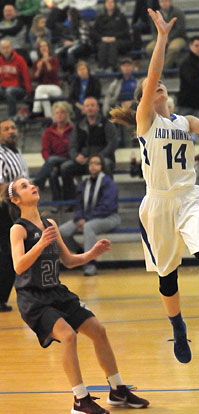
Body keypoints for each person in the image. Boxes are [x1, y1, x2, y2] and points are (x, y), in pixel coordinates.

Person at [110, 9, 199, 364]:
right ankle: (178, 328)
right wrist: (161, 38)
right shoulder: (146, 119)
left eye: (159, 85)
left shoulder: (185, 121)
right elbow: (153, 71)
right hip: (157, 204)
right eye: (150, 86)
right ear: (145, 97)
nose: (157, 85)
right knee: (167, 276)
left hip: (187, 197)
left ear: (167, 94)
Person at [0, 176, 149, 414]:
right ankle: (80, 400)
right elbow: (18, 266)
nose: (32, 187)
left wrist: (92, 252)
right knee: (68, 336)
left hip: (57, 292)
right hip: (34, 299)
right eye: (24, 186)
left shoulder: (50, 223)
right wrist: (39, 245)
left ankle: (118, 390)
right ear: (16, 199)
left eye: (31, 183)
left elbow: (68, 260)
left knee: (98, 330)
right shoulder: (17, 229)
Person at [59, 154, 121, 276]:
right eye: (91, 163)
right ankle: (81, 253)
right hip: (86, 218)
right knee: (60, 232)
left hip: (109, 217)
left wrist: (85, 220)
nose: (93, 166)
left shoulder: (109, 183)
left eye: (96, 163)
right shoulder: (84, 183)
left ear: (102, 166)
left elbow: (106, 207)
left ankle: (90, 264)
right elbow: (79, 204)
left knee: (89, 227)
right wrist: (80, 218)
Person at [61, 96, 119, 201]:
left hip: (102, 158)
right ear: (84, 109)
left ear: (97, 107)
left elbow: (112, 144)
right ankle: (71, 201)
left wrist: (97, 157)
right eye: (87, 106)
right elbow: (72, 146)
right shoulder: (78, 125)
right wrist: (76, 156)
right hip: (84, 160)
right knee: (65, 168)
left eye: (92, 105)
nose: (90, 108)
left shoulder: (107, 123)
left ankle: (109, 199)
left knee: (106, 164)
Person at [0, 119, 28, 312]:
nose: (11, 131)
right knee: (6, 255)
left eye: (13, 128)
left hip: (15, 207)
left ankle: (4, 296)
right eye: (6, 129)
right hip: (3, 209)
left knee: (14, 254)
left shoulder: (16, 152)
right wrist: (17, 191)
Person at [33, 101, 73, 207]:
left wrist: (51, 162)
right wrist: (53, 165)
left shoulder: (73, 130)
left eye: (62, 112)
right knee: (52, 173)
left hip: (69, 159)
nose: (59, 115)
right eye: (57, 113)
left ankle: (37, 183)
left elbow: (74, 148)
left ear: (67, 114)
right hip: (54, 162)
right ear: (53, 115)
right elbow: (45, 150)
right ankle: (57, 202)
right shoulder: (48, 132)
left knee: (51, 160)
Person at [91, 0, 132, 71]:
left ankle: (113, 66)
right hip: (103, 40)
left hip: (119, 40)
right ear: (105, 4)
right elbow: (94, 32)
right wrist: (101, 38)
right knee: (103, 45)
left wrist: (115, 37)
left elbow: (126, 31)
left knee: (113, 44)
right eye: (108, 2)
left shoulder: (121, 16)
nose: (109, 4)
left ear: (115, 4)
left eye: (111, 2)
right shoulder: (100, 17)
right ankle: (102, 66)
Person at [146, 0, 187, 69]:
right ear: (159, 3)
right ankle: (156, 68)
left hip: (177, 37)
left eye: (166, 1)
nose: (164, 3)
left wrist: (168, 38)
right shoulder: (156, 14)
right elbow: (153, 31)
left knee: (173, 48)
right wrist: (160, 39)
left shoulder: (178, 12)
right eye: (162, 2)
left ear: (170, 2)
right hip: (161, 37)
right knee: (149, 48)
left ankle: (164, 69)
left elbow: (180, 29)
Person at [0, 40, 32, 118]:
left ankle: (12, 117)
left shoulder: (19, 59)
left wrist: (29, 91)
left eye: (7, 47)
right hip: (4, 88)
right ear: (1, 50)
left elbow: (26, 75)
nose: (6, 50)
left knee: (10, 91)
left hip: (19, 89)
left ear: (11, 48)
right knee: (7, 91)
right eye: (3, 48)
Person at [31, 40, 63, 118]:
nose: (43, 48)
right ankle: (49, 117)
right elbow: (34, 78)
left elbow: (54, 74)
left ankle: (36, 110)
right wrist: (39, 68)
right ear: (39, 49)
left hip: (55, 87)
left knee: (39, 88)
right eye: (41, 46)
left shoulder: (54, 60)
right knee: (44, 97)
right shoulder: (37, 62)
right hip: (42, 89)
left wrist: (47, 62)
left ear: (48, 48)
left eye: (45, 46)